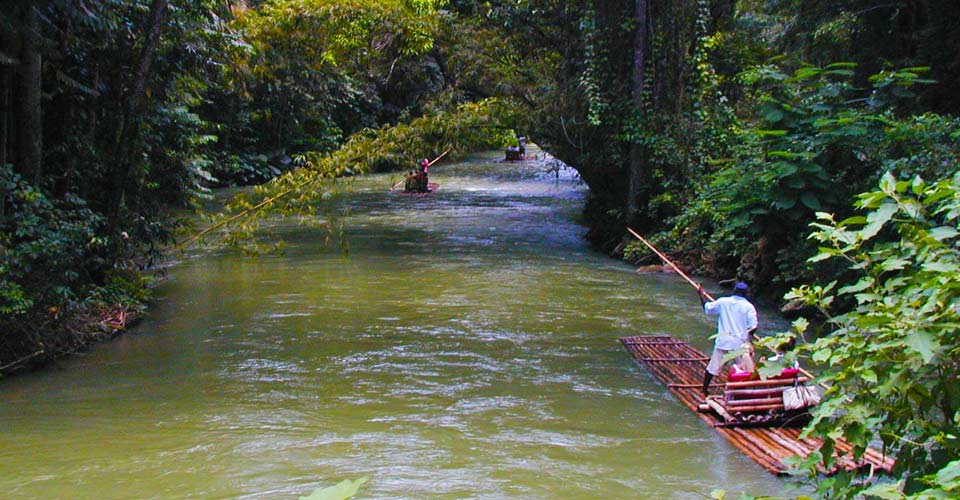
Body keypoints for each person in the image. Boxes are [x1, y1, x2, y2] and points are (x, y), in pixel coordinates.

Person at [698, 281, 758, 397]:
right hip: (740, 343)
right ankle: (742, 394)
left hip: (723, 341)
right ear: (746, 293)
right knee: (744, 370)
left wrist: (701, 294)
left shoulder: (723, 302)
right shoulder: (749, 307)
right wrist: (749, 337)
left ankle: (704, 390)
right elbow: (753, 327)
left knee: (712, 368)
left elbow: (707, 308)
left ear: (734, 291)